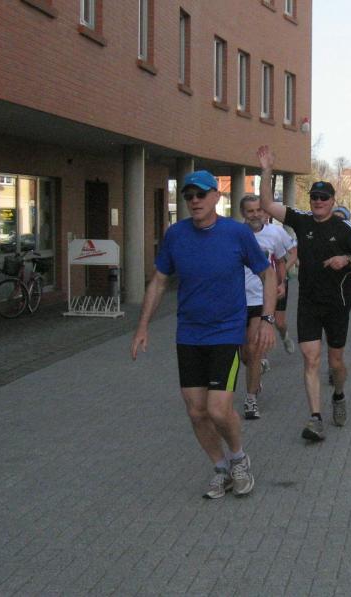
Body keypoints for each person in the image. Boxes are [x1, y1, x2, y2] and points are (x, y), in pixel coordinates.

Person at [131, 170, 277, 499]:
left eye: (201, 194)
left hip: (227, 332)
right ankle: (220, 468)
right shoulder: (176, 235)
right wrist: (142, 326)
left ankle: (239, 459)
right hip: (189, 334)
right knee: (196, 410)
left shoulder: (237, 233)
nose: (194, 200)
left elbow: (267, 274)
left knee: (218, 409)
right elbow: (159, 281)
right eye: (189, 196)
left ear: (216, 197)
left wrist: (267, 320)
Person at [256, 145, 351, 441]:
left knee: (335, 363)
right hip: (308, 303)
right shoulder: (301, 220)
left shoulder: (345, 228)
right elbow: (267, 204)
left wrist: (346, 260)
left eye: (324, 198)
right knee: (310, 359)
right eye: (314, 197)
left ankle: (338, 394)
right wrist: (266, 170)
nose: (319, 202)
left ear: (333, 201)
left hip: (337, 304)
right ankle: (315, 419)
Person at [239, 194, 292, 420]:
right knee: (244, 355)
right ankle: (256, 378)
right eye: (250, 211)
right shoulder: (236, 234)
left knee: (253, 351)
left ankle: (251, 399)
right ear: (243, 213)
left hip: (260, 300)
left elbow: (280, 261)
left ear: (265, 212)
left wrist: (281, 283)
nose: (255, 215)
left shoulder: (275, 234)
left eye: (259, 210)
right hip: (236, 301)